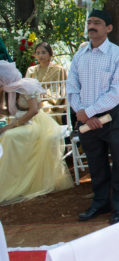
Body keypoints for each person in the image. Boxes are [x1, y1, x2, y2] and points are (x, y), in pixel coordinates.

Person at [67, 9, 119, 224]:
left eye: (97, 22)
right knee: (95, 164)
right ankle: (101, 202)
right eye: (90, 22)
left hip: (112, 117)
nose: (92, 26)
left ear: (109, 28)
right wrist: (83, 113)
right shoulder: (80, 56)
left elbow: (118, 91)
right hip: (86, 118)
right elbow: (72, 88)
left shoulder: (118, 55)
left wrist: (89, 112)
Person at [0, 61, 72, 204]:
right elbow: (6, 112)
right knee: (4, 136)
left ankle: (15, 183)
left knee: (8, 136)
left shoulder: (26, 86)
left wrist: (12, 125)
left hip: (35, 124)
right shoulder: (8, 90)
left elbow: (34, 110)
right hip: (18, 123)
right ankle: (12, 178)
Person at [25, 42, 67, 116]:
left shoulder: (58, 69)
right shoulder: (31, 70)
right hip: (33, 101)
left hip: (50, 102)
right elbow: (26, 89)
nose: (40, 55)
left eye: (43, 52)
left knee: (43, 107)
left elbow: (61, 90)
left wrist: (44, 95)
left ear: (50, 54)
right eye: (37, 53)